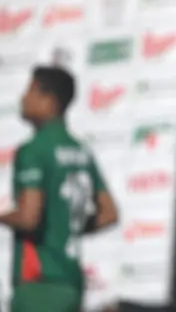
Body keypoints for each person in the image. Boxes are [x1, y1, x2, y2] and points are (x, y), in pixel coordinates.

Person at [0, 66, 118, 312]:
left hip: (39, 285)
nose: (23, 98)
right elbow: (109, 214)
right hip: (71, 284)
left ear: (49, 101)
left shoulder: (34, 150)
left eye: (31, 91)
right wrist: (65, 225)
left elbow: (29, 218)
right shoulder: (80, 150)